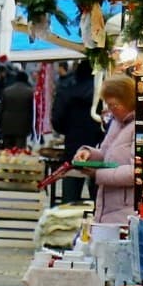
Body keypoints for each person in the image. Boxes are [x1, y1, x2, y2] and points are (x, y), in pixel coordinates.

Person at [74, 74, 136, 224]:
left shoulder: (139, 127)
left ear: (127, 101)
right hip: (107, 207)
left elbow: (135, 172)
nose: (111, 110)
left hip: (126, 212)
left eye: (114, 105)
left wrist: (98, 174)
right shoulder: (116, 123)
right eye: (109, 105)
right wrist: (87, 154)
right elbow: (104, 154)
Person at [51, 60, 103, 203]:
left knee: (69, 199)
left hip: (73, 146)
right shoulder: (102, 88)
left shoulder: (66, 86)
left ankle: (66, 221)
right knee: (98, 199)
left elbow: (57, 119)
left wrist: (68, 130)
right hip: (98, 147)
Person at [0, 69, 35, 150]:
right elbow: (32, 111)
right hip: (22, 126)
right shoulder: (30, 92)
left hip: (7, 125)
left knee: (6, 151)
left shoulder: (6, 91)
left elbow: (1, 109)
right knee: (19, 151)